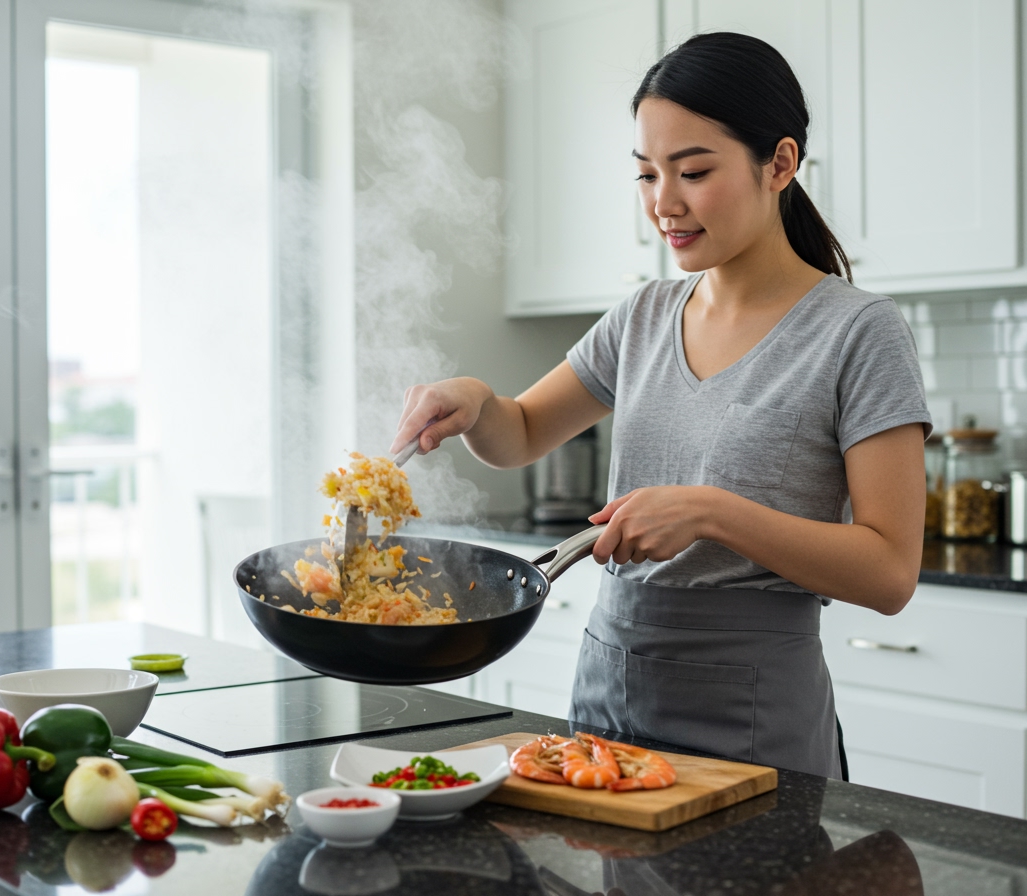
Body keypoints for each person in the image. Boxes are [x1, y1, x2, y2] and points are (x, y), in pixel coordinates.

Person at [390, 32, 930, 778]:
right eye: (646, 175)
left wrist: (712, 512)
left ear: (780, 162)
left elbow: (890, 571)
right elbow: (518, 434)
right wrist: (477, 402)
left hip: (753, 707)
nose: (663, 203)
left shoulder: (857, 331)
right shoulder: (643, 315)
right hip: (610, 687)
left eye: (694, 171)